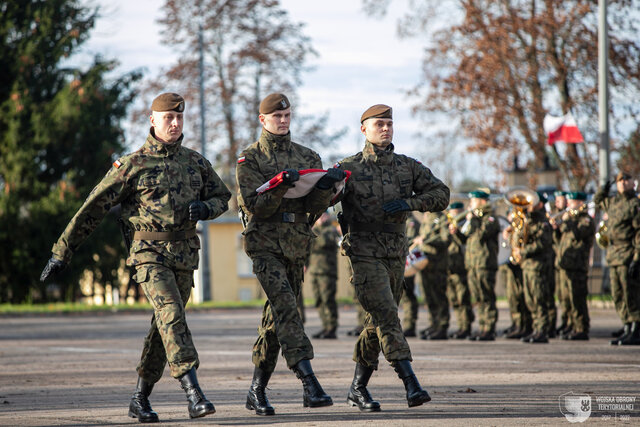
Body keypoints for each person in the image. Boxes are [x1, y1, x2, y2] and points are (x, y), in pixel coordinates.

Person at [40, 93, 231, 422]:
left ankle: (139, 398)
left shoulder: (195, 162)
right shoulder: (132, 165)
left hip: (185, 255)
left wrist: (206, 208)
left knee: (164, 328)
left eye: (179, 118)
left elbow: (223, 197)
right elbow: (93, 208)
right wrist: (62, 252)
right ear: (152, 120)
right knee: (171, 315)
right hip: (149, 254)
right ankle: (193, 392)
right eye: (168, 117)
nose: (175, 123)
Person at [334, 104, 450, 412]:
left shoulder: (407, 167)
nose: (385, 128)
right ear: (364, 129)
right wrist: (326, 188)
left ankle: (357, 388)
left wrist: (410, 202)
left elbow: (442, 194)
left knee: (378, 320)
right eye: (378, 124)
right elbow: (324, 201)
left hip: (396, 251)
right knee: (387, 315)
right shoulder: (348, 167)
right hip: (363, 252)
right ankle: (410, 382)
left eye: (389, 123)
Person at [236, 93, 344, 415]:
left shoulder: (307, 154)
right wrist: (280, 184)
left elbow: (313, 207)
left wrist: (327, 186)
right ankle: (309, 381)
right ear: (263, 120)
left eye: (287, 115)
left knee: (275, 319)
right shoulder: (250, 159)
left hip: (297, 245)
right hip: (265, 245)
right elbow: (254, 206)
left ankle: (256, 390)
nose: (283, 121)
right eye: (276, 116)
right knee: (287, 308)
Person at [594, 172, 640, 345]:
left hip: (627, 252)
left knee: (630, 293)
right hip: (613, 254)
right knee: (617, 293)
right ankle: (627, 325)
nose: (622, 183)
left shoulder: (634, 204)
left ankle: (636, 328)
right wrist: (603, 189)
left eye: (626, 180)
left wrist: (637, 257)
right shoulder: (613, 202)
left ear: (632, 183)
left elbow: (638, 233)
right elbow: (598, 202)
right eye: (619, 180)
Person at [450, 190, 500, 341]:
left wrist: (473, 219)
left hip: (484, 263)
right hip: (472, 263)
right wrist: (456, 233)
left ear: (482, 201)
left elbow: (481, 234)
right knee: (478, 297)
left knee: (486, 296)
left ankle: (489, 329)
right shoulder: (475, 218)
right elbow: (467, 239)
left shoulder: (490, 217)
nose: (470, 204)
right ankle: (483, 327)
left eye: (473, 200)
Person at [555, 192, 595, 340]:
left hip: (578, 265)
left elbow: (579, 234)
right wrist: (556, 228)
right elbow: (560, 241)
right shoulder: (571, 219)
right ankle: (572, 326)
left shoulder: (585, 220)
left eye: (571, 203)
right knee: (568, 299)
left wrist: (568, 222)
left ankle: (581, 328)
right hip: (566, 264)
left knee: (577, 298)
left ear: (580, 203)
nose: (568, 206)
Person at [514, 193, 554, 344]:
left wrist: (522, 252)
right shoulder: (528, 221)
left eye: (532, 203)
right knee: (530, 299)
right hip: (528, 265)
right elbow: (521, 237)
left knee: (539, 298)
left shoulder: (543, 223)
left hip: (538, 265)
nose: (528, 206)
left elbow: (541, 244)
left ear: (540, 205)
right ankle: (536, 329)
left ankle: (542, 330)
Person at [416, 211, 451, 340]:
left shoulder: (441, 218)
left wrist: (427, 240)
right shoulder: (426, 217)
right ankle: (434, 324)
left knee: (439, 296)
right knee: (429, 296)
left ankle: (442, 327)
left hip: (438, 264)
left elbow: (446, 239)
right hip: (426, 263)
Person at [308, 211, 341, 339]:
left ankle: (331, 327)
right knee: (318, 300)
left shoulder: (331, 230)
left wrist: (312, 235)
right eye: (319, 215)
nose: (321, 218)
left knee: (328, 300)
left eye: (324, 215)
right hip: (315, 270)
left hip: (327, 271)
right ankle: (325, 326)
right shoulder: (314, 229)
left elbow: (322, 242)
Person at [445, 202, 474, 339]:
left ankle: (466, 326)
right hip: (450, 267)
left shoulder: (466, 224)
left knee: (463, 299)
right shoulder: (449, 224)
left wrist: (456, 232)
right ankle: (460, 325)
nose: (451, 214)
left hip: (461, 266)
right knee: (455, 300)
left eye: (454, 211)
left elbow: (464, 241)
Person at [550, 190, 571, 336]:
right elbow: (556, 241)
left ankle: (576, 325)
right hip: (559, 261)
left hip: (573, 262)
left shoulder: (571, 217)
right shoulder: (556, 215)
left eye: (560, 199)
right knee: (562, 296)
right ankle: (565, 323)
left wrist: (564, 223)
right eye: (556, 199)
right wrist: (554, 229)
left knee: (572, 296)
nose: (557, 202)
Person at [401, 215, 422, 337]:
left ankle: (410, 325)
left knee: (408, 294)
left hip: (407, 262)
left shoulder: (411, 222)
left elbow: (410, 241)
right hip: (400, 261)